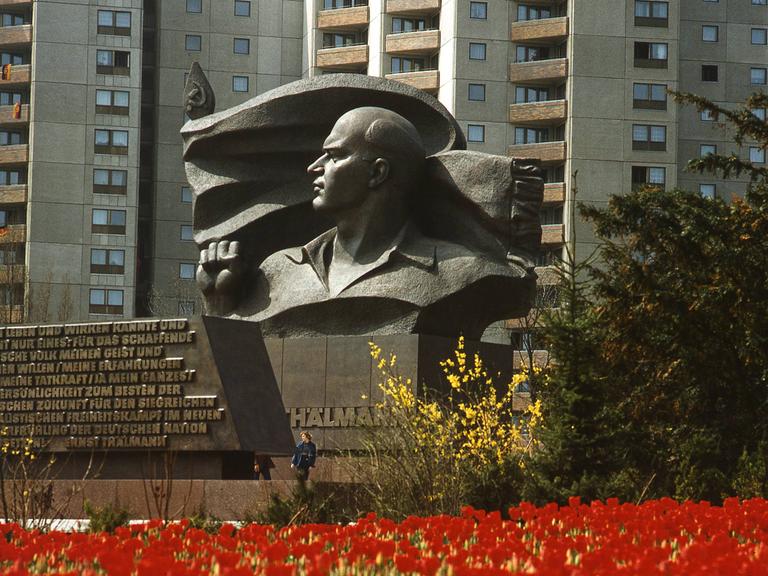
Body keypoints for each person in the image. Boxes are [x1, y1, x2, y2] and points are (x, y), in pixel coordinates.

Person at [196, 106, 536, 339]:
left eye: (334, 155)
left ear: (377, 172)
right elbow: (234, 385)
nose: (314, 167)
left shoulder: (463, 274)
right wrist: (219, 305)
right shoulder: (276, 273)